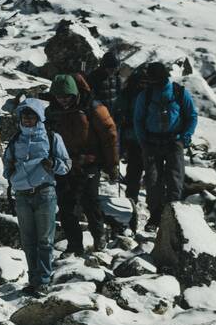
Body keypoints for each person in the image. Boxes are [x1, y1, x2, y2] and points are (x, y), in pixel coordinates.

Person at [3, 99, 72, 296]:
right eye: (24, 115)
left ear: (39, 117)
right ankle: (34, 281)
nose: (27, 119)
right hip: (22, 195)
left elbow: (66, 165)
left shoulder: (52, 138)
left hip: (44, 192)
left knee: (44, 240)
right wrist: (12, 174)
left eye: (31, 115)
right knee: (28, 241)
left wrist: (54, 165)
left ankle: (43, 280)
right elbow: (6, 164)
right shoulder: (16, 140)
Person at [47, 73, 119, 254]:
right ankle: (75, 245)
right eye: (59, 97)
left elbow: (110, 137)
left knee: (90, 201)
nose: (63, 100)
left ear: (75, 93)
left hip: (90, 161)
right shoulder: (51, 112)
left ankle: (99, 237)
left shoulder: (92, 108)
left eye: (67, 97)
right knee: (66, 206)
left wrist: (112, 166)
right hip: (65, 163)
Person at [133, 62, 198, 231]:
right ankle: (155, 216)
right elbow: (138, 120)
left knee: (175, 180)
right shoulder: (145, 95)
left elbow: (192, 116)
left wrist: (185, 137)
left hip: (174, 142)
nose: (152, 83)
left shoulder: (179, 92)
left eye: (154, 80)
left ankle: (174, 215)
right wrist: (143, 141)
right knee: (153, 180)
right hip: (151, 143)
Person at [113, 67, 147, 230]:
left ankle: (131, 208)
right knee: (147, 178)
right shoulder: (150, 93)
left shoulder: (127, 93)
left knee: (133, 177)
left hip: (132, 140)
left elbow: (117, 113)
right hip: (146, 141)